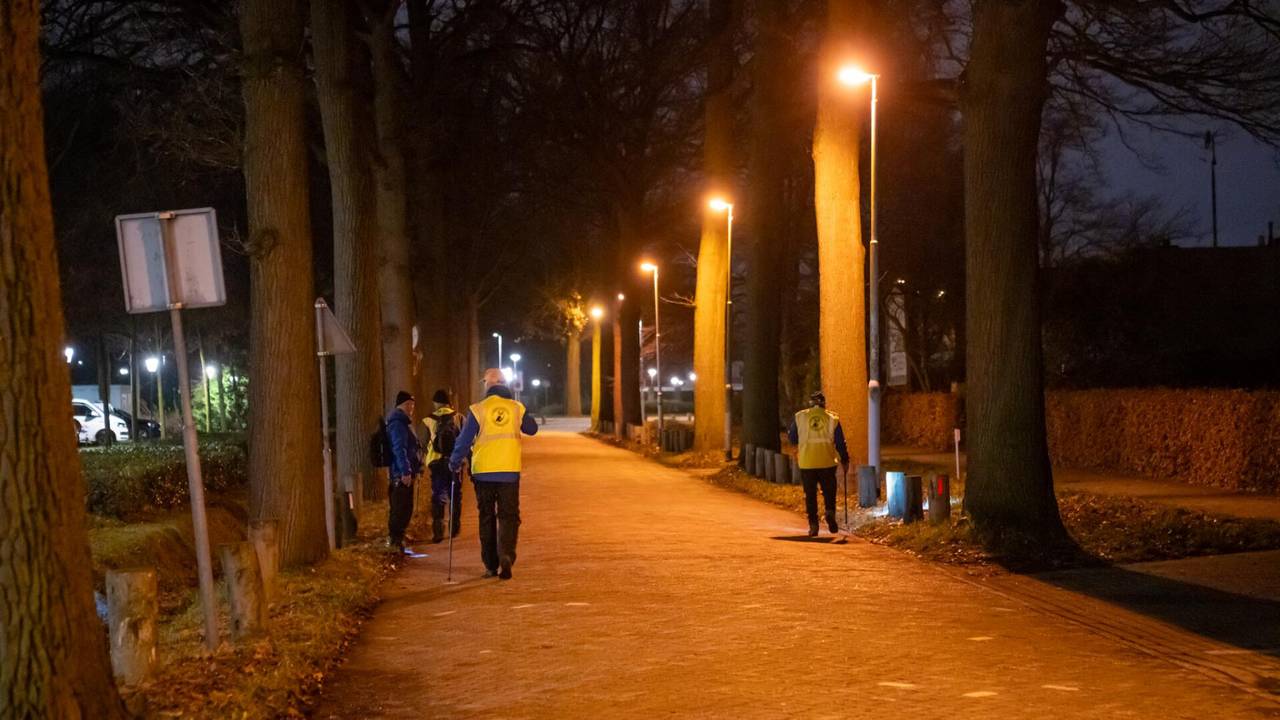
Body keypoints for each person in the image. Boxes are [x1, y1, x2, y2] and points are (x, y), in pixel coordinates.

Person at [449, 368, 539, 579]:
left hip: (483, 473)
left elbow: (463, 440)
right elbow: (532, 428)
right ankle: (506, 553)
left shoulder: (478, 409)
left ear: (487, 385)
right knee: (509, 516)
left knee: (486, 517)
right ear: (504, 384)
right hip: (509, 472)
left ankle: (490, 565)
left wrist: (454, 462)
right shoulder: (516, 407)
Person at [787, 391, 850, 537]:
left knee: (810, 494)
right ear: (823, 404)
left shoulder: (800, 417)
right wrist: (845, 460)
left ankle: (813, 525)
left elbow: (792, 438)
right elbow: (840, 442)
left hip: (807, 462)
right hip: (827, 461)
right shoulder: (832, 418)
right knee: (829, 491)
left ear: (810, 403)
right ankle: (829, 512)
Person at [423, 389, 462, 544]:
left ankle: (438, 530)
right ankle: (454, 528)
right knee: (456, 494)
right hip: (454, 462)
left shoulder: (428, 420)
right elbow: (465, 440)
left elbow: (424, 443)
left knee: (438, 495)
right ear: (448, 402)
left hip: (436, 462)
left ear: (435, 403)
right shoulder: (459, 417)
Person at [386, 390, 423, 553]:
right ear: (402, 405)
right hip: (401, 474)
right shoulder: (398, 424)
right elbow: (399, 449)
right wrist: (405, 471)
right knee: (400, 507)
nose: (412, 408)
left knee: (405, 507)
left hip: (403, 472)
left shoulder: (403, 422)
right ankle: (395, 539)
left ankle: (399, 537)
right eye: (409, 404)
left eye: (413, 405)